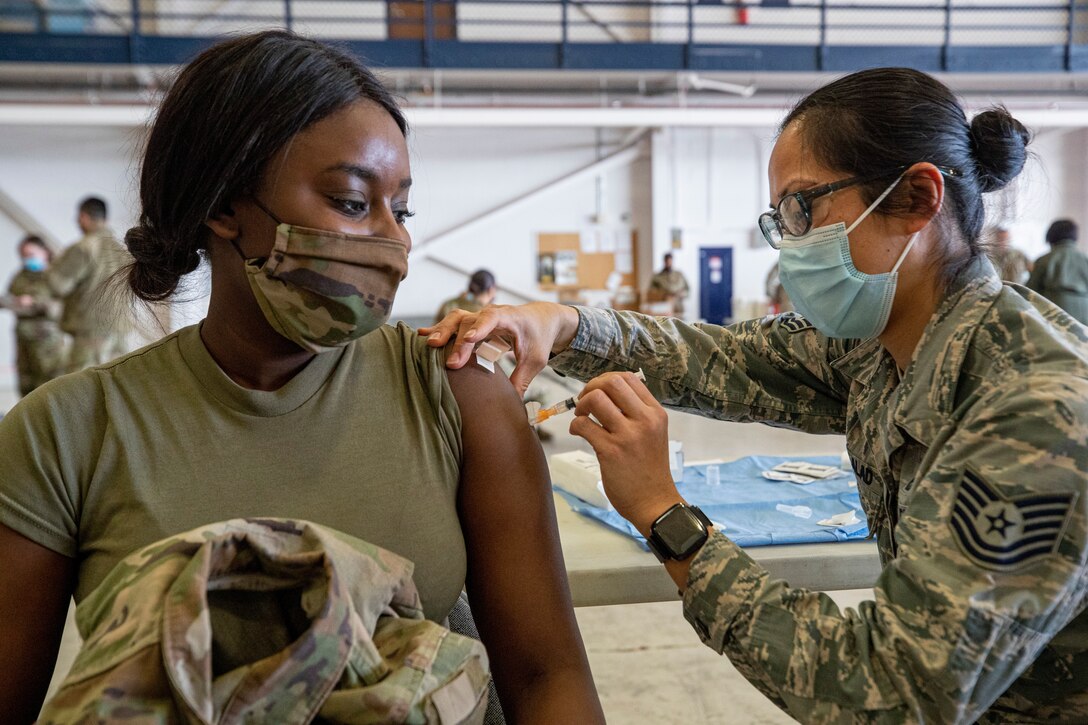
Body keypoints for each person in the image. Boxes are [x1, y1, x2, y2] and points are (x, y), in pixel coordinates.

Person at [425, 67, 1088, 722]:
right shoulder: (885, 344)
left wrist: (666, 514)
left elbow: (892, 692)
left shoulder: (1035, 412)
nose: (792, 244)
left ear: (916, 197)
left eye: (804, 207)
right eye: (781, 219)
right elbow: (726, 357)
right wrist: (565, 324)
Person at [0, 31, 602, 724]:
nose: (395, 240)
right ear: (226, 206)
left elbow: (546, 675)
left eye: (400, 210)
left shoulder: (457, 393)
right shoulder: (65, 435)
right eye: (352, 203)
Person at [47, 196, 132, 372]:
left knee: (82, 389)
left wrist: (52, 266)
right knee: (117, 382)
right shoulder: (122, 249)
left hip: (91, 333)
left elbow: (58, 286)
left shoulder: (83, 248)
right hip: (120, 330)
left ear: (83, 217)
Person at [2, 235, 64, 396]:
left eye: (30, 255)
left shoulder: (56, 276)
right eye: (23, 256)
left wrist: (34, 303)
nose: (26, 259)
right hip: (23, 338)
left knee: (48, 387)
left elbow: (63, 307)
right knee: (26, 385)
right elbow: (8, 297)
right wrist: (14, 302)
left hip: (47, 343)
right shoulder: (20, 276)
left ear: (44, 252)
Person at [1026, 218, 1088, 324]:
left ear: (1051, 236)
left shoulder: (1044, 260)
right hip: (1084, 312)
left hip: (1055, 311)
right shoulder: (1085, 259)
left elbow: (1030, 291)